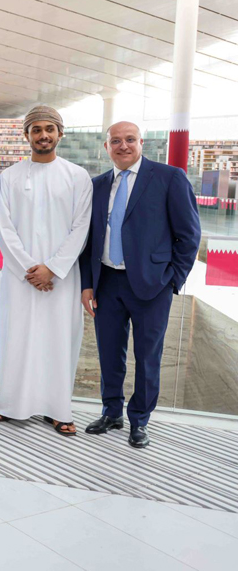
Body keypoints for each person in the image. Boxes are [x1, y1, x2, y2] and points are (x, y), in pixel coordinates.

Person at [79, 121, 200, 448]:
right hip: (107, 283)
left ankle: (139, 420)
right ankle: (111, 413)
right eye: (116, 141)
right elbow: (89, 240)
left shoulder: (169, 178)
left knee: (148, 357)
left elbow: (189, 235)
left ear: (141, 143)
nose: (123, 146)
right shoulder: (97, 185)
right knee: (109, 353)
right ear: (106, 147)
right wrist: (87, 284)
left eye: (130, 139)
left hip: (152, 285)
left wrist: (172, 280)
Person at [0, 106, 92, 435]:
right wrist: (29, 269)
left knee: (59, 341)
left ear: (60, 134)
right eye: (36, 129)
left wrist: (53, 268)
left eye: (50, 129)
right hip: (20, 277)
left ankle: (58, 409)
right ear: (27, 135)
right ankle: (11, 405)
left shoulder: (77, 176)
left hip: (61, 278)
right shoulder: (9, 177)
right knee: (17, 337)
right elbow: (3, 227)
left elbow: (81, 228)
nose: (43, 135)